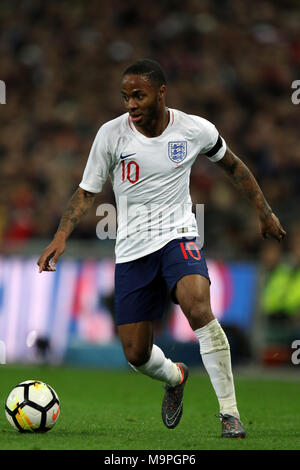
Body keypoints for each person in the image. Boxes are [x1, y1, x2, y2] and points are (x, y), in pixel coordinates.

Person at [37, 58, 286, 438]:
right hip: (133, 250)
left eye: (139, 95)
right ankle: (175, 376)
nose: (131, 104)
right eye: (125, 97)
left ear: (161, 93)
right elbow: (87, 191)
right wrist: (60, 236)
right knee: (136, 355)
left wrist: (264, 213)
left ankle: (229, 413)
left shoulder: (194, 129)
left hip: (178, 237)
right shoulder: (111, 135)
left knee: (199, 307)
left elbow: (235, 167)